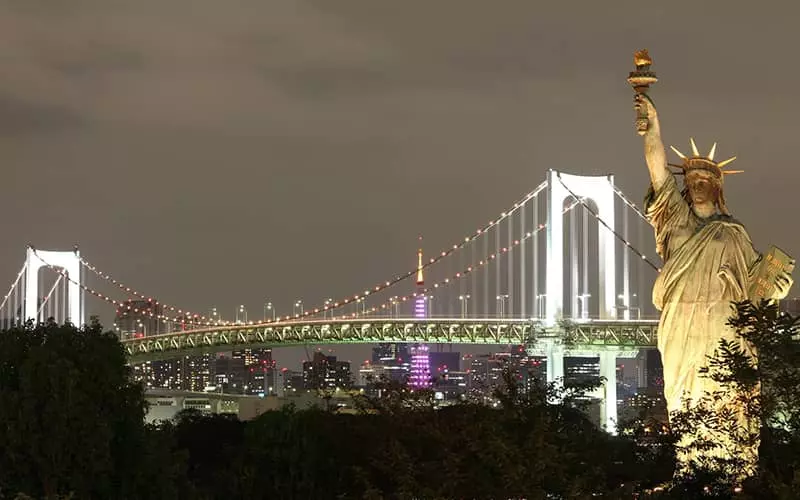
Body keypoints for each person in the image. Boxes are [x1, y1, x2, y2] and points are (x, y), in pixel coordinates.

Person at [634, 93, 793, 474]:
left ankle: (736, 469)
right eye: (692, 178)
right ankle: (689, 469)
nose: (700, 183)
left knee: (728, 387)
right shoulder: (672, 218)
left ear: (718, 186)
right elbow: (657, 170)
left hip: (723, 322)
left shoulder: (733, 231)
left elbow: (757, 280)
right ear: (684, 186)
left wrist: (780, 286)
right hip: (681, 324)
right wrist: (651, 127)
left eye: (707, 178)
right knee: (685, 392)